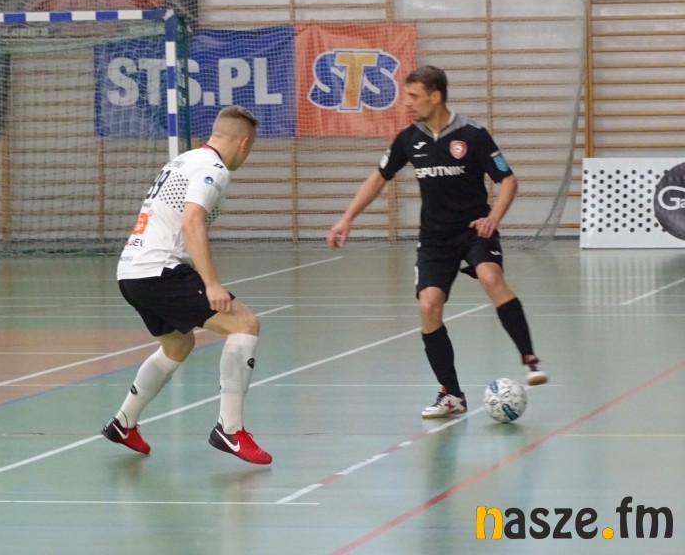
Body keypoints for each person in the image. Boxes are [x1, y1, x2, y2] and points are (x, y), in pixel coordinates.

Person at [326, 65, 548, 419]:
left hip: (474, 229)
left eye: (413, 96)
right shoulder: (408, 138)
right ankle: (452, 395)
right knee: (429, 305)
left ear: (436, 96)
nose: (407, 103)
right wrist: (347, 218)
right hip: (434, 238)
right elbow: (379, 177)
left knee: (491, 277)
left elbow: (508, 181)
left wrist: (493, 218)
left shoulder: (472, 134)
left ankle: (530, 358)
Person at [101, 105, 272, 465]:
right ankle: (230, 429)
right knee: (244, 325)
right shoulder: (214, 168)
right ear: (243, 143)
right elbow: (191, 222)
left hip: (131, 271)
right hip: (159, 270)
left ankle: (124, 423)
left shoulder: (185, 160)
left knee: (178, 344)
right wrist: (212, 284)